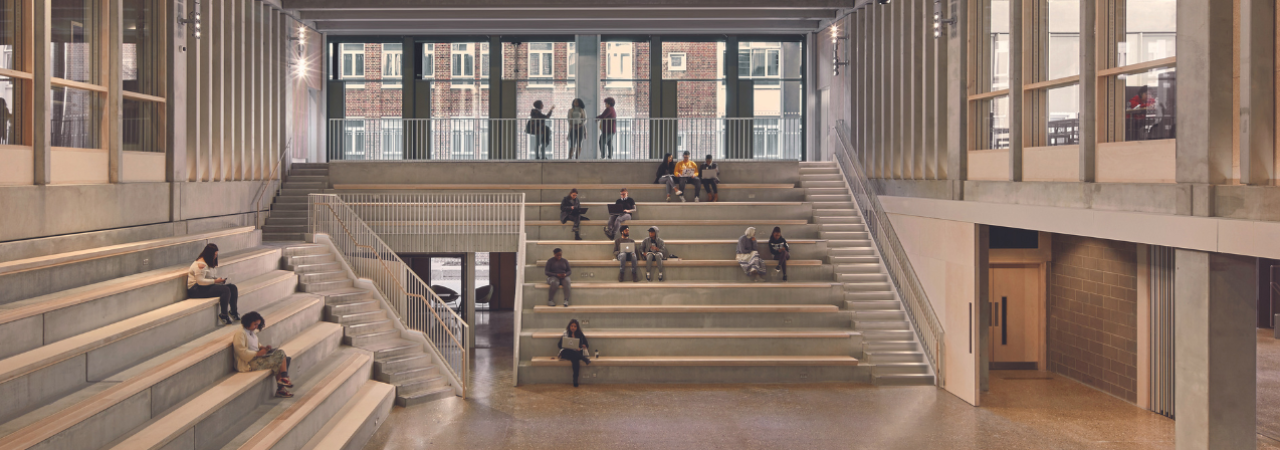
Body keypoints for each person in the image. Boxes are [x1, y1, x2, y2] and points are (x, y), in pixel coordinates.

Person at [233, 312, 293, 398]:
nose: (256, 327)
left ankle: (282, 385)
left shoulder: (250, 331)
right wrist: (257, 353)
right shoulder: (240, 333)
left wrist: (263, 348)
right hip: (249, 363)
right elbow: (241, 351)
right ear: (248, 322)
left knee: (286, 359)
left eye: (258, 325)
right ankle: (283, 380)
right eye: (255, 324)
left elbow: (255, 344)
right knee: (281, 355)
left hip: (256, 358)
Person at [188, 243, 239, 325]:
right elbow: (200, 281)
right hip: (195, 289)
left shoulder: (207, 262)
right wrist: (215, 281)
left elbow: (207, 278)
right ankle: (224, 315)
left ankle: (233, 311)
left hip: (203, 286)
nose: (215, 257)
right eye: (214, 255)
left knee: (232, 287)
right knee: (225, 290)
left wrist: (218, 280)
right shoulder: (200, 264)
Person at [553, 319, 591, 387]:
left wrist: (582, 346)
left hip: (576, 353)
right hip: (567, 352)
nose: (573, 327)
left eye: (575, 326)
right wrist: (565, 344)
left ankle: (575, 379)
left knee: (575, 359)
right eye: (572, 326)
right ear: (569, 326)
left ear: (577, 327)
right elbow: (559, 345)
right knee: (572, 352)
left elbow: (587, 345)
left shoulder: (580, 334)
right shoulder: (566, 334)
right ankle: (584, 359)